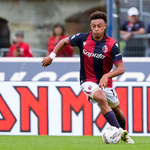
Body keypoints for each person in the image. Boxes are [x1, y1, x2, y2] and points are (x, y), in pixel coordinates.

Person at [42, 11, 134, 143]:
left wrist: (107, 75)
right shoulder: (82, 38)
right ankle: (119, 131)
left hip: (105, 83)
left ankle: (124, 135)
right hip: (87, 81)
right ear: (91, 26)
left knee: (117, 111)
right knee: (101, 98)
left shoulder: (112, 44)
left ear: (104, 26)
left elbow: (121, 68)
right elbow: (64, 41)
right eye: (93, 26)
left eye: (99, 26)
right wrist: (51, 57)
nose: (96, 29)